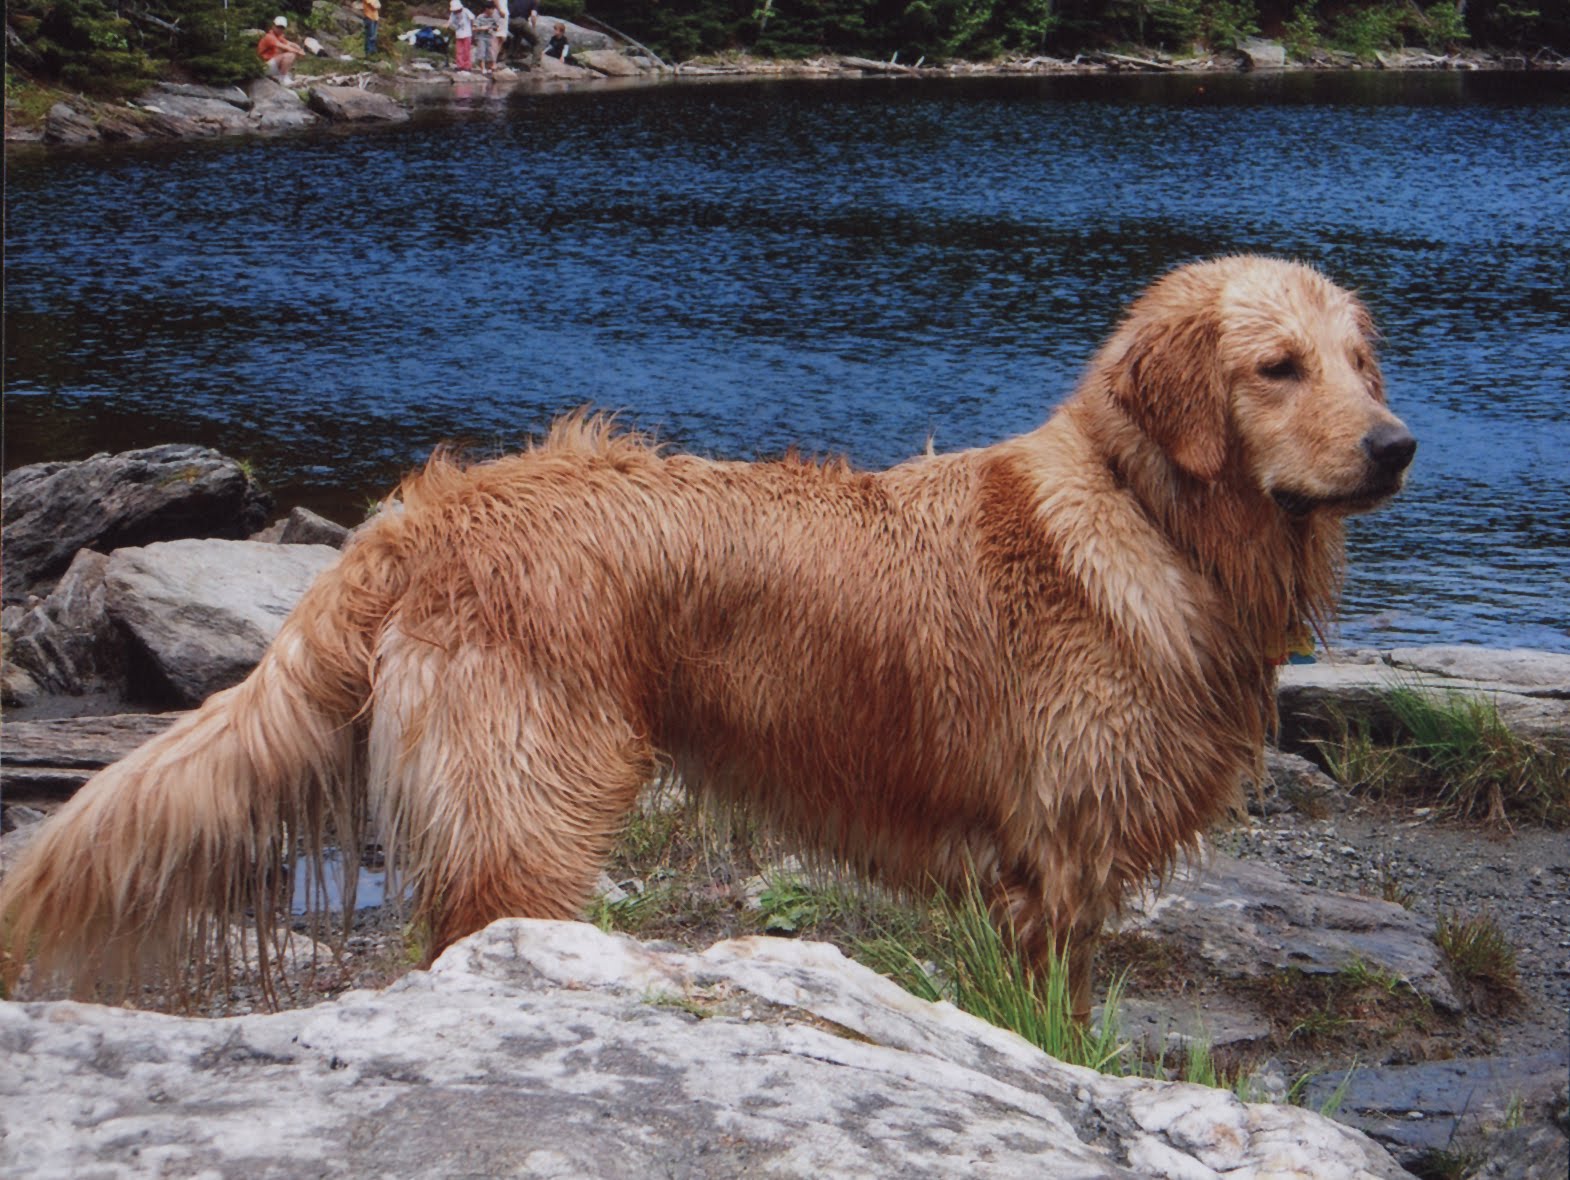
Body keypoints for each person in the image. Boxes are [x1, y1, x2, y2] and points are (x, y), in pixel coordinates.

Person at [257, 15, 308, 82]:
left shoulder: (278, 37)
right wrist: (298, 52)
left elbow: (289, 43)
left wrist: (299, 48)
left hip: (270, 65)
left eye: (282, 27)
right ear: (273, 26)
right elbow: (283, 46)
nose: (280, 29)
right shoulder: (269, 37)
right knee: (290, 55)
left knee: (290, 53)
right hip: (264, 67)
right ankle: (282, 79)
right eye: (278, 27)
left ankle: (282, 76)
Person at [472, 0, 499, 75]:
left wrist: (493, 28)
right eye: (491, 9)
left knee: (490, 54)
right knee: (482, 52)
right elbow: (474, 28)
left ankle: (489, 68)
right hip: (481, 37)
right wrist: (482, 28)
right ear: (486, 9)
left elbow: (496, 27)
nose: (493, 11)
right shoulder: (480, 17)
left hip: (489, 37)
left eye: (493, 9)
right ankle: (483, 68)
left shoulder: (493, 17)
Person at [448, 0, 475, 71]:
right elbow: (450, 23)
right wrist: (455, 27)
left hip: (467, 33)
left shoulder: (466, 11)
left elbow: (472, 18)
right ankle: (460, 65)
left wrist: (471, 27)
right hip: (458, 34)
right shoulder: (453, 14)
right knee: (459, 50)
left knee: (467, 50)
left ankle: (467, 66)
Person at [493, 0, 510, 66]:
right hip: (500, 13)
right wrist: (500, 10)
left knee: (501, 39)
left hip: (503, 12)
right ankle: (493, 61)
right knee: (497, 38)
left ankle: (494, 59)